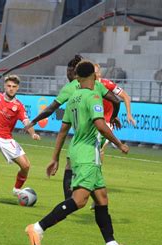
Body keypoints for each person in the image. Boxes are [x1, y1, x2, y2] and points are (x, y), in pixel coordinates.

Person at [25, 61, 136, 245]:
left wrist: (55, 158)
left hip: (77, 149)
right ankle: (37, 228)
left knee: (101, 198)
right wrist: (120, 144)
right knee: (80, 200)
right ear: (94, 75)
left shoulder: (74, 97)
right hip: (87, 153)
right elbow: (100, 124)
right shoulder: (93, 96)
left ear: (78, 77)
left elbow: (63, 130)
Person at [24, 55, 122, 200]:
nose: (68, 75)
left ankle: (70, 203)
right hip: (92, 133)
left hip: (89, 135)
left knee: (75, 166)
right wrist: (113, 116)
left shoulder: (70, 88)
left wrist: (34, 121)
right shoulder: (97, 84)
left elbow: (51, 108)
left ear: (76, 72)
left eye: (70, 72)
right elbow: (116, 101)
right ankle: (90, 199)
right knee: (88, 165)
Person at [94, 64, 136, 159]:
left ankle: (97, 171)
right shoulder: (87, 87)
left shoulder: (107, 84)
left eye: (95, 72)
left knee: (99, 148)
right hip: (93, 120)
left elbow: (126, 96)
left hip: (107, 120)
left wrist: (129, 114)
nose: (93, 74)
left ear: (99, 73)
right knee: (91, 149)